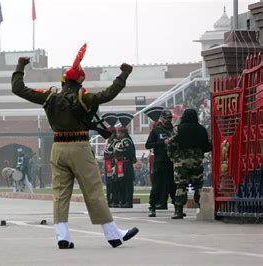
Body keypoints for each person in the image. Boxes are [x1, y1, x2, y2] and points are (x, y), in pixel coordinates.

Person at [11, 43, 138, 249]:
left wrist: (20, 66)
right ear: (80, 81)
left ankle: (62, 237)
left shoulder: (49, 97)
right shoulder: (84, 97)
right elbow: (107, 94)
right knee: (93, 191)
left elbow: (18, 88)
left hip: (58, 148)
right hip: (79, 147)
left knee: (60, 194)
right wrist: (123, 75)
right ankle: (113, 235)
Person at [167, 108, 211, 219]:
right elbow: (208, 145)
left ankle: (179, 211)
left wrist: (172, 156)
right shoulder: (201, 129)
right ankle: (202, 208)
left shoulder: (178, 129)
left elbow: (171, 143)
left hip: (181, 161)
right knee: (198, 186)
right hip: (196, 161)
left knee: (181, 185)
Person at [145, 110, 176, 217]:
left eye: (170, 118)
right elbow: (148, 145)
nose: (168, 120)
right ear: (161, 118)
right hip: (160, 160)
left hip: (172, 160)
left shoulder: (174, 130)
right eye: (166, 118)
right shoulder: (156, 131)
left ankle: (178, 208)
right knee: (157, 185)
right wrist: (162, 142)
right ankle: (152, 207)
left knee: (173, 185)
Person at [113, 125, 136, 208]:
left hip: (126, 165)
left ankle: (128, 201)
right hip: (119, 165)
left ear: (123, 133)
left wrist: (127, 159)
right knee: (121, 183)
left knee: (127, 184)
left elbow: (131, 152)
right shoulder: (119, 141)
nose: (117, 134)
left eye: (118, 133)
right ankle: (122, 200)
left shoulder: (126, 141)